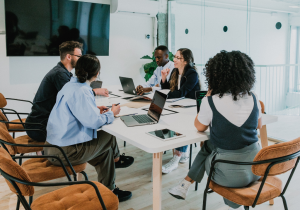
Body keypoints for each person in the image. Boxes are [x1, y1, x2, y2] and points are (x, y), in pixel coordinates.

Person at [168, 51, 262, 210]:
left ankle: (185, 183)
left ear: (215, 75)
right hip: (256, 168)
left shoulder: (211, 101)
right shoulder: (253, 97)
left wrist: (208, 98)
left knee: (208, 145)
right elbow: (258, 126)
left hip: (228, 173)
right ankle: (184, 184)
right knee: (213, 143)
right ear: (246, 73)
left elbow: (199, 126)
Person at [44, 54, 132, 202]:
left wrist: (95, 109)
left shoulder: (70, 86)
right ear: (97, 74)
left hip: (52, 147)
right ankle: (117, 159)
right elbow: (93, 123)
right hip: (64, 152)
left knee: (105, 152)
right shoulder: (82, 91)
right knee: (108, 136)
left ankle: (109, 192)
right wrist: (112, 113)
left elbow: (76, 111)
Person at [25, 41, 109, 142]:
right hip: (41, 127)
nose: (81, 60)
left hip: (40, 123)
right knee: (90, 131)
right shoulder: (60, 75)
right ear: (69, 57)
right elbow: (74, 101)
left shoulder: (62, 72)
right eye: (79, 56)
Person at [160, 48, 201, 174]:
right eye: (175, 57)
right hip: (179, 106)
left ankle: (176, 158)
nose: (174, 60)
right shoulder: (174, 71)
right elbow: (168, 89)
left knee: (181, 125)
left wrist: (164, 96)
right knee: (164, 118)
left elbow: (180, 93)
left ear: (186, 61)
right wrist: (163, 78)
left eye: (178, 58)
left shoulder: (192, 73)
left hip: (192, 108)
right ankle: (182, 152)